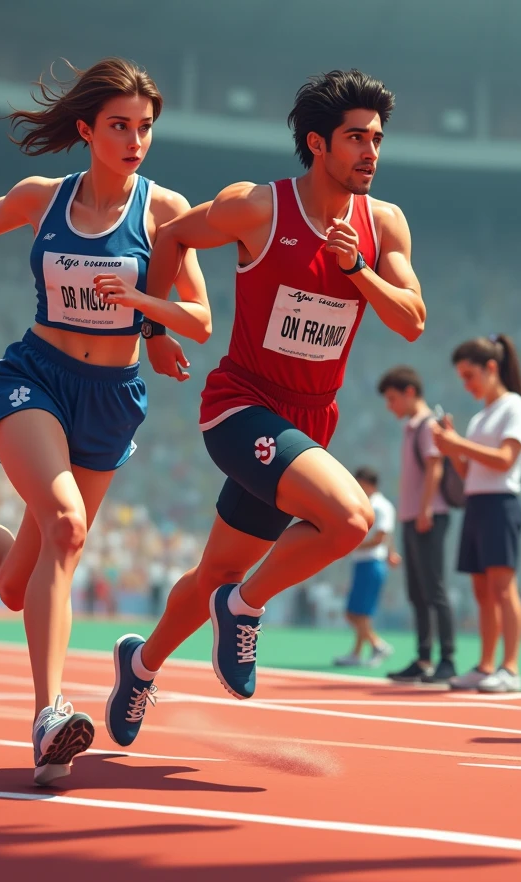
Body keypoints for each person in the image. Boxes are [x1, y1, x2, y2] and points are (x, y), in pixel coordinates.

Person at [100, 68, 426, 748]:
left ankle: (140, 663)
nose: (371, 152)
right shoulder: (256, 207)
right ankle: (245, 608)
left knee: (216, 569)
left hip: (309, 421)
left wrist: (358, 268)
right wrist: (153, 333)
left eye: (378, 139)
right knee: (351, 520)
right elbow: (172, 238)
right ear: (317, 143)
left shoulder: (384, 223)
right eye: (356, 139)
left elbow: (413, 320)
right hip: (242, 407)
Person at [0, 57, 210, 784]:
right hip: (35, 379)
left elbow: (199, 318)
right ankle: (50, 718)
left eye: (145, 127)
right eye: (119, 126)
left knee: (22, 582)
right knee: (67, 528)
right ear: (86, 130)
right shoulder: (45, 199)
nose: (135, 139)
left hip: (111, 398)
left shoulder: (166, 211)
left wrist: (147, 314)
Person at [432, 335, 521, 694]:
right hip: (476, 503)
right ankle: (486, 665)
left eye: (469, 375)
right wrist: (451, 445)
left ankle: (510, 668)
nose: (466, 384)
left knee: (503, 588)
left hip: (500, 504)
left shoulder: (515, 408)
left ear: (492, 368)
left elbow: (505, 460)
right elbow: (466, 471)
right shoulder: (481, 417)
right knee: (481, 590)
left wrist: (458, 444)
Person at [378, 366, 456, 683]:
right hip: (413, 517)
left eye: (393, 398)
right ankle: (424, 658)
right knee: (417, 592)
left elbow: (435, 468)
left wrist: (424, 510)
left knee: (434, 590)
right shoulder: (411, 427)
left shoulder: (426, 425)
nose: (390, 406)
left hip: (429, 516)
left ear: (410, 392)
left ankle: (447, 659)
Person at [333, 467, 398, 668]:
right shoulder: (369, 504)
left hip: (372, 564)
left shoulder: (381, 506)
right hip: (363, 563)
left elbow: (380, 537)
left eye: (359, 483)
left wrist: (352, 545)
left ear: (368, 484)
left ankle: (378, 645)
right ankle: (357, 653)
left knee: (356, 613)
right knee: (359, 613)